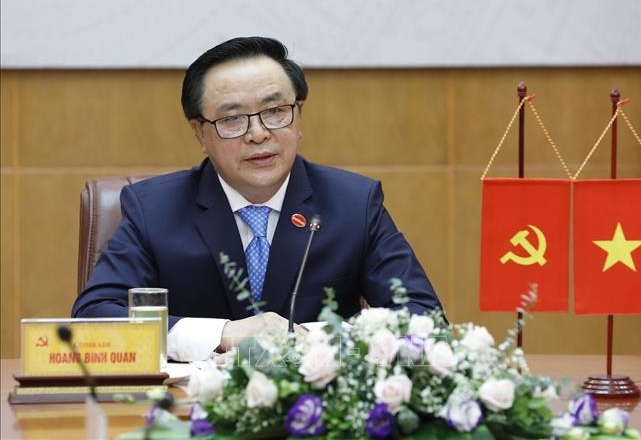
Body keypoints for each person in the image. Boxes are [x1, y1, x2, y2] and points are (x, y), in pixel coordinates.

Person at [71, 36, 443, 362]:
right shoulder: (154, 209)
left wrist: (314, 339)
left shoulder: (354, 203)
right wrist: (220, 334)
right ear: (199, 133)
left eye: (276, 111)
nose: (258, 133)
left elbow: (424, 319)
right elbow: (94, 319)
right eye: (232, 119)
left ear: (299, 115)